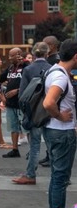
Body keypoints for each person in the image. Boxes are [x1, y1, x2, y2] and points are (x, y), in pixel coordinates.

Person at [43, 38, 77, 208]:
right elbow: (48, 102)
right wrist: (60, 116)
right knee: (60, 177)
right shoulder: (61, 76)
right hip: (61, 131)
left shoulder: (54, 71)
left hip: (54, 130)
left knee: (57, 176)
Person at [12, 42, 51, 185]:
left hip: (34, 112)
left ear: (33, 54)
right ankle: (60, 174)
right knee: (51, 144)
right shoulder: (52, 69)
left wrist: (26, 113)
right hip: (49, 111)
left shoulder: (28, 70)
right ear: (47, 53)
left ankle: (30, 174)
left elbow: (22, 95)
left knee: (35, 145)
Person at [0, 47, 28, 158]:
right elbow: (0, 79)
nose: (9, 58)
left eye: (11, 55)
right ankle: (15, 149)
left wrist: (17, 91)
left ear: (19, 54)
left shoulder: (26, 67)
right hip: (11, 103)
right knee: (13, 127)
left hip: (22, 102)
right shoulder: (11, 68)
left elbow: (32, 82)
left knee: (27, 127)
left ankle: (33, 150)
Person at [39, 35, 61, 167]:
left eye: (45, 44)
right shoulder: (50, 59)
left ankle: (52, 156)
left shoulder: (54, 60)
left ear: (52, 46)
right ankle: (49, 154)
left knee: (52, 130)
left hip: (53, 99)